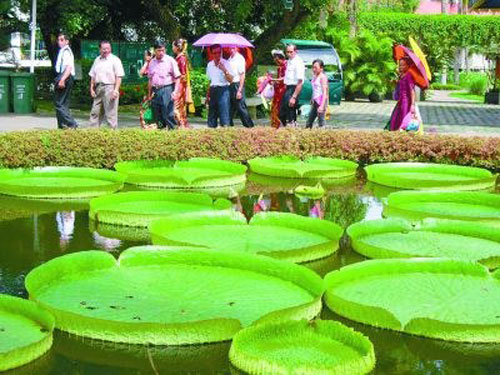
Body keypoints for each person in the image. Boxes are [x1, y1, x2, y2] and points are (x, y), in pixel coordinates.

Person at [88, 40, 125, 129]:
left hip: (110, 87)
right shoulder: (97, 60)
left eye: (108, 48)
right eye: (103, 49)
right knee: (95, 111)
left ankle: (112, 134)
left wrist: (116, 90)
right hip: (98, 88)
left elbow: (119, 76)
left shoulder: (115, 60)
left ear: (110, 49)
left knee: (111, 113)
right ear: (100, 49)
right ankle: (92, 133)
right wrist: (91, 88)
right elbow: (93, 75)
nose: (106, 50)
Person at [147, 41, 181, 130]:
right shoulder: (151, 62)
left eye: (163, 50)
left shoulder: (170, 61)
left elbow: (178, 77)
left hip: (167, 89)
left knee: (168, 114)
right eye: (158, 50)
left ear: (165, 50)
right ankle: (161, 134)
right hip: (155, 90)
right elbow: (150, 79)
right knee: (157, 114)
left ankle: (173, 133)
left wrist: (175, 91)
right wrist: (149, 94)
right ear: (154, 51)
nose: (161, 53)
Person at [206, 44, 233, 128]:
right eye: (215, 53)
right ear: (211, 54)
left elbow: (231, 80)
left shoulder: (226, 63)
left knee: (224, 115)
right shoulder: (210, 65)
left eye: (219, 52)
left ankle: (225, 135)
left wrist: (224, 70)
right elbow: (209, 80)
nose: (217, 55)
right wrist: (207, 95)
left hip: (223, 90)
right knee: (212, 116)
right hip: (213, 90)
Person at [54, 33, 78, 129]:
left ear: (67, 41)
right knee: (63, 103)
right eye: (58, 40)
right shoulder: (63, 51)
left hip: (65, 76)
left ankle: (71, 123)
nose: (59, 42)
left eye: (62, 40)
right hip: (64, 76)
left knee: (59, 103)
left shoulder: (66, 51)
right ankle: (62, 125)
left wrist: (62, 79)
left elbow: (69, 67)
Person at [228, 47, 254, 128]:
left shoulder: (239, 58)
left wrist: (239, 90)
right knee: (229, 106)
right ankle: (228, 125)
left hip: (237, 84)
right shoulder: (229, 59)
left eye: (232, 48)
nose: (231, 49)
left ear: (236, 48)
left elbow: (242, 75)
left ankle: (249, 125)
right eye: (229, 48)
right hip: (230, 84)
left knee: (240, 106)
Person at [279, 44, 305, 127]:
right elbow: (288, 77)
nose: (289, 54)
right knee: (282, 113)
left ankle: (292, 127)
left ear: (295, 51)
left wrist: (294, 97)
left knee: (289, 111)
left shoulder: (298, 62)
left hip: (294, 88)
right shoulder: (289, 61)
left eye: (291, 52)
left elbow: (300, 81)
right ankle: (291, 127)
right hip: (288, 87)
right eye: (287, 52)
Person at [389, 56, 416, 131]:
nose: (401, 67)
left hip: (406, 102)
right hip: (400, 101)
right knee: (395, 119)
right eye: (400, 65)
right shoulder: (402, 75)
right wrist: (395, 82)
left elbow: (412, 91)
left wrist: (412, 105)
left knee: (403, 120)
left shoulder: (409, 76)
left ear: (408, 66)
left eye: (403, 65)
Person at [172, 39, 193, 129]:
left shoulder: (181, 58)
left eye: (173, 46)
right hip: (179, 85)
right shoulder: (179, 58)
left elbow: (183, 75)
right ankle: (182, 124)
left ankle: (182, 124)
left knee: (176, 106)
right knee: (179, 106)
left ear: (177, 47)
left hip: (180, 86)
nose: (172, 48)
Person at [306, 59, 328, 129]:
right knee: (309, 121)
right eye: (313, 67)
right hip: (315, 100)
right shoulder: (315, 76)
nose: (314, 69)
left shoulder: (323, 77)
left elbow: (325, 92)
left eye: (316, 67)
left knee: (321, 122)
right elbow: (315, 89)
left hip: (321, 101)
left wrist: (322, 105)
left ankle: (323, 137)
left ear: (321, 68)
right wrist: (312, 98)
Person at [270, 49, 287, 128]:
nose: (275, 60)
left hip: (283, 90)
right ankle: (275, 126)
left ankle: (284, 125)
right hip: (278, 91)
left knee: (280, 109)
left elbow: (285, 78)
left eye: (276, 58)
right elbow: (278, 79)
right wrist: (273, 82)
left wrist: (274, 80)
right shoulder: (279, 67)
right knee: (275, 108)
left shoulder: (286, 65)